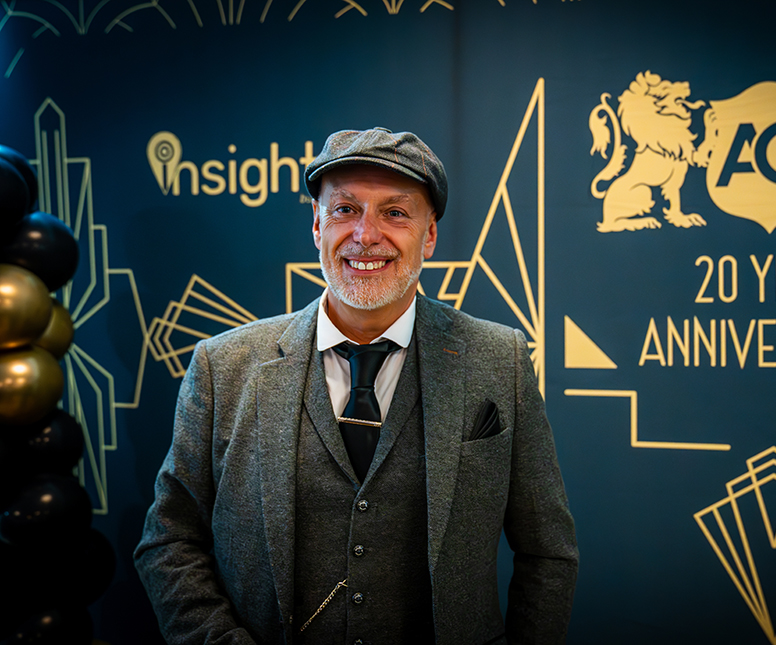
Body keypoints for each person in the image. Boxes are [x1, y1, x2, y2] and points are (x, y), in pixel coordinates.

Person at [135, 127, 578, 645]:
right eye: (345, 209)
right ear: (316, 225)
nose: (366, 235)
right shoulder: (223, 366)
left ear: (429, 235)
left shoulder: (499, 360)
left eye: (395, 213)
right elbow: (169, 541)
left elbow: (548, 551)